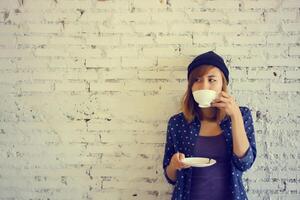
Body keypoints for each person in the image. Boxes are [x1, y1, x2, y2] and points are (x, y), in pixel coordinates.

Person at [162, 51, 257, 200]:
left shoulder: (241, 115)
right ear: (191, 86)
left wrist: (235, 116)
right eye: (197, 80)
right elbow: (170, 178)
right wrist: (174, 165)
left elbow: (244, 163)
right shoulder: (177, 123)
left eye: (212, 80)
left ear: (222, 84)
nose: (204, 86)